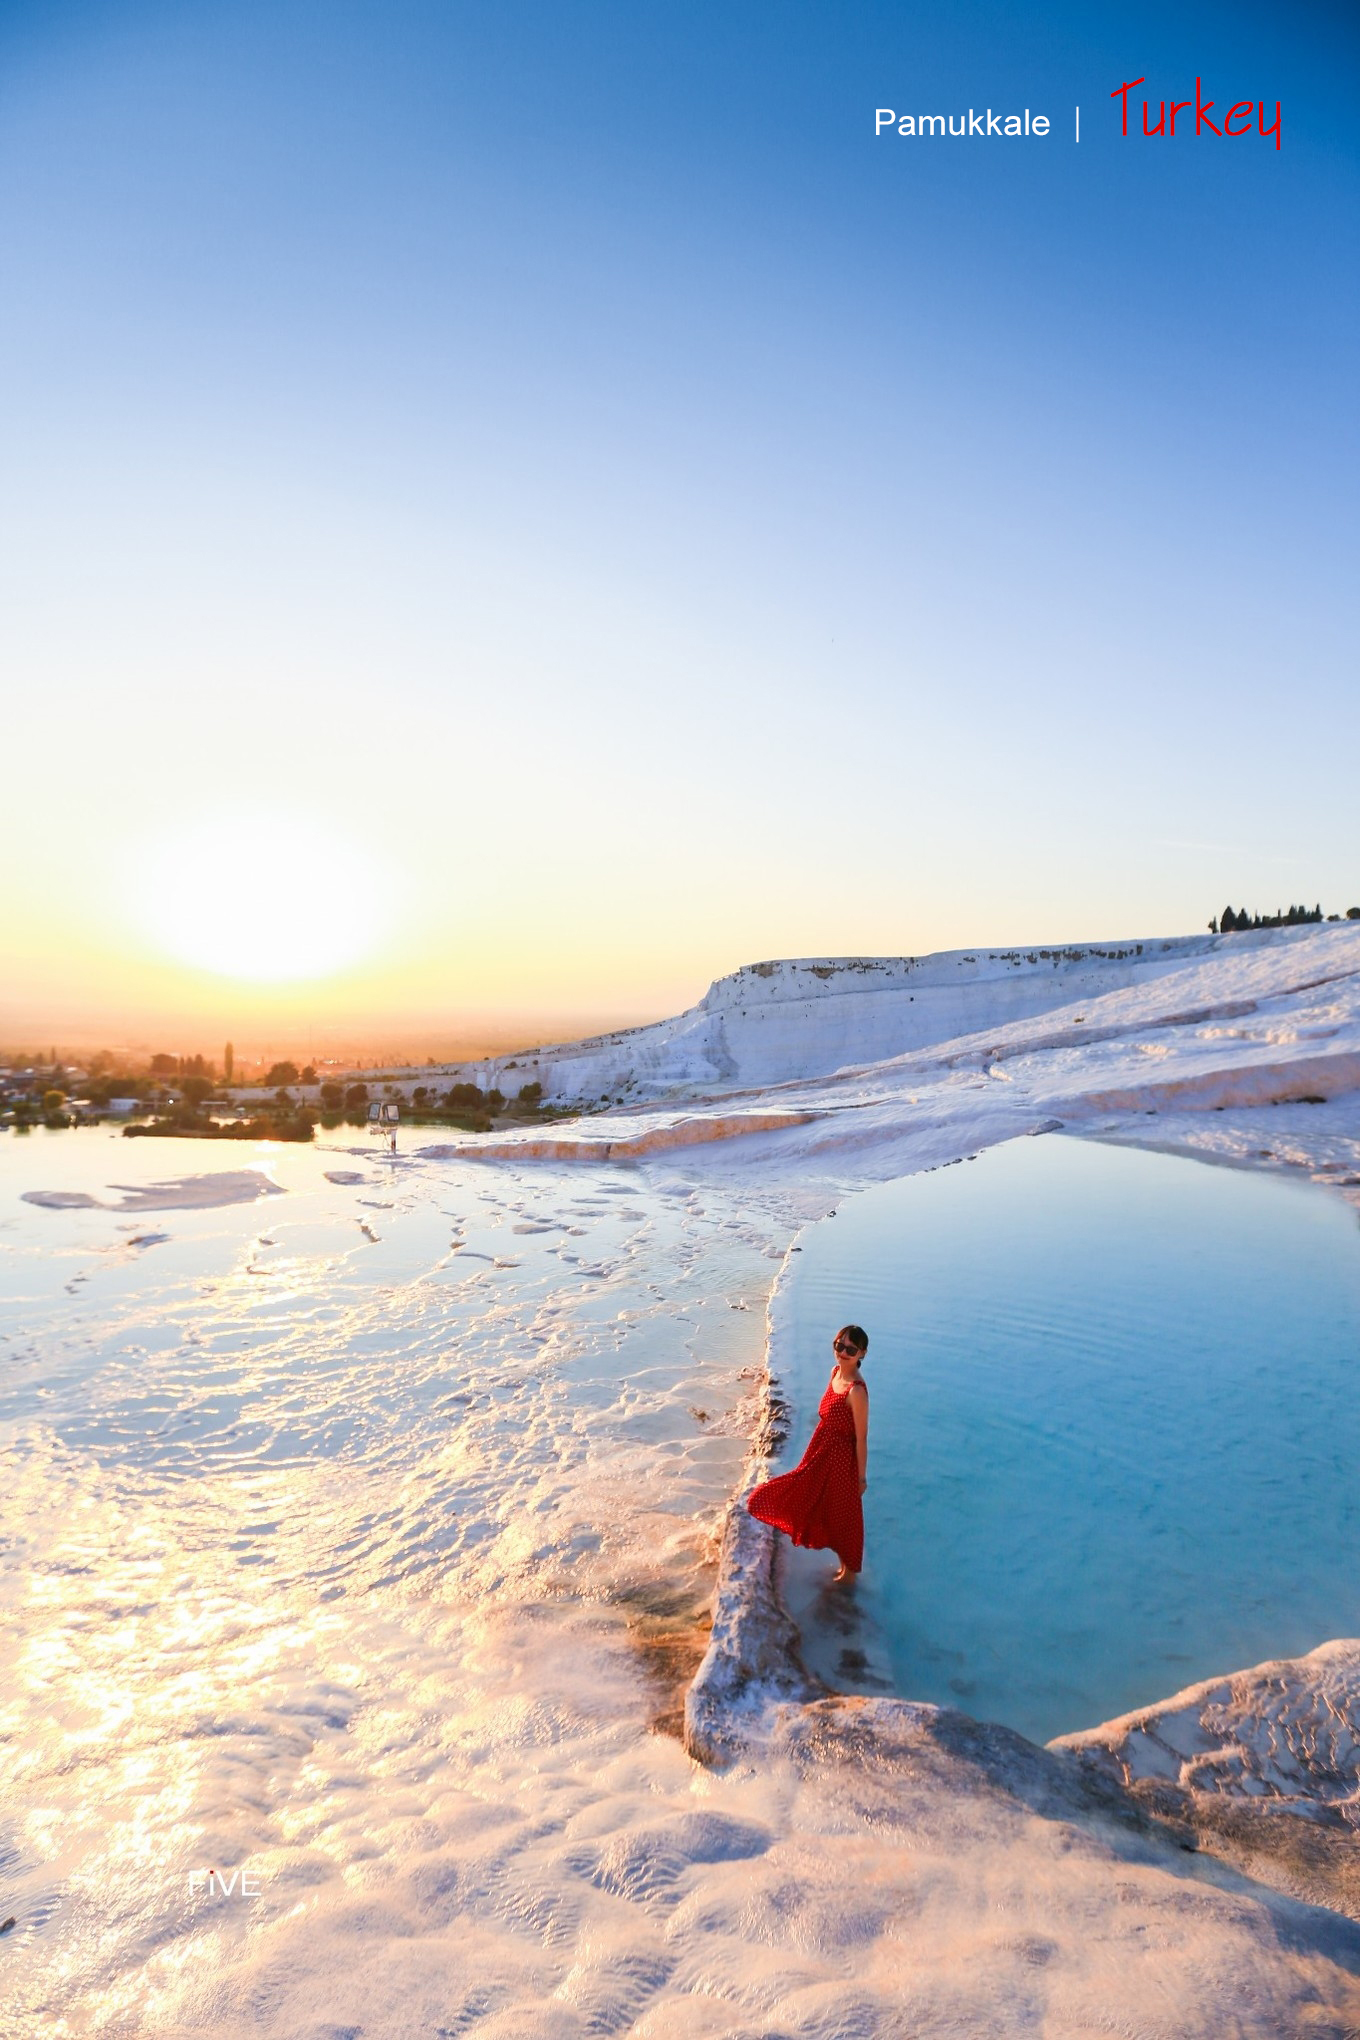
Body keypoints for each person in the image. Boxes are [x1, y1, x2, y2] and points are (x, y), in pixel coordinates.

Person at [747, 1324, 869, 1582]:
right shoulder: (835, 1373)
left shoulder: (856, 1391)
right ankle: (844, 1572)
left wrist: (860, 1477)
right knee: (814, 1503)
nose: (843, 1352)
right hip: (821, 1455)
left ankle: (849, 1579)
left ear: (862, 1353)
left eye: (850, 1349)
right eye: (839, 1345)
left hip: (842, 1464)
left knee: (843, 1518)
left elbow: (861, 1438)